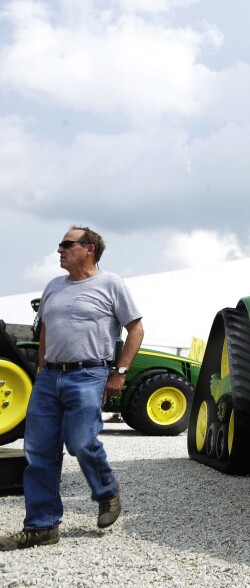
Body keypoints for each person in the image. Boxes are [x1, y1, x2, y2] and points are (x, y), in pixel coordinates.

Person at [0, 226, 144, 551]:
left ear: (89, 249)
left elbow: (135, 329)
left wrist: (119, 373)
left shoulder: (111, 284)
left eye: (67, 244)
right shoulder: (53, 287)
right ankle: (41, 527)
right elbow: (46, 334)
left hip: (89, 375)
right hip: (49, 378)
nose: (59, 250)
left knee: (81, 442)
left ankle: (106, 492)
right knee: (38, 453)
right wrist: (40, 373)